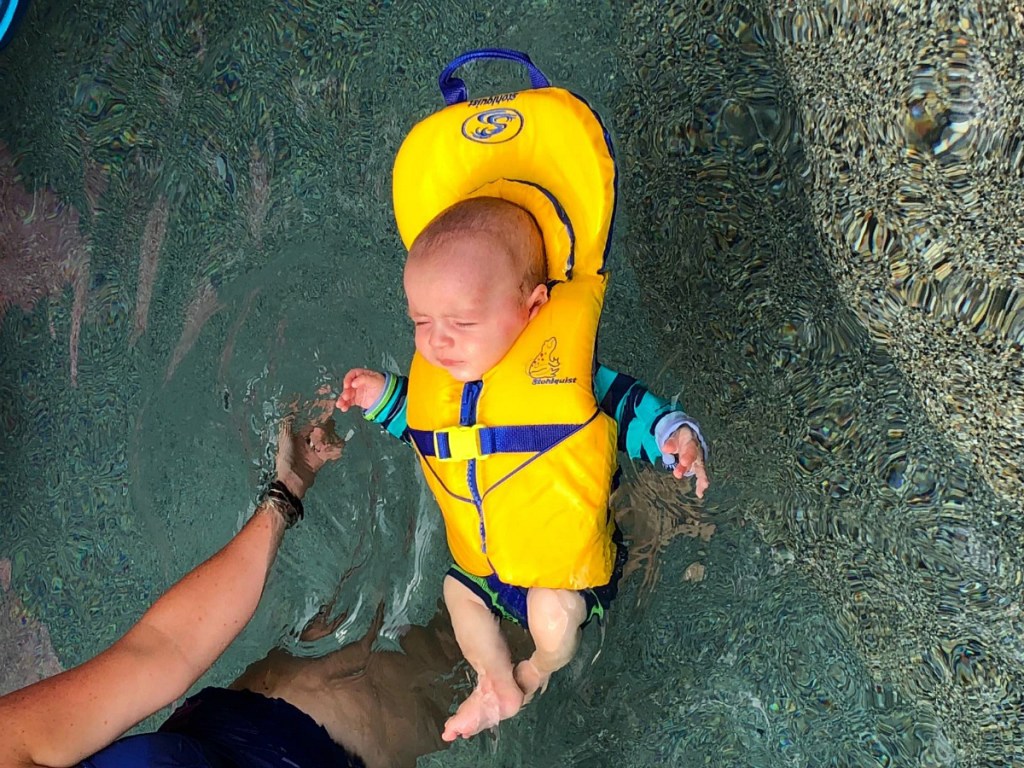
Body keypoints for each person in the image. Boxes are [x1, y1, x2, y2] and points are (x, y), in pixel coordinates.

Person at [335, 47, 710, 744]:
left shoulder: (565, 378)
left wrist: (675, 436)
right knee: (456, 593)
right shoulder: (440, 374)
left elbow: (631, 411)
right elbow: (422, 424)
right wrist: (382, 395)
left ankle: (535, 670)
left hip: (562, 571)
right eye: (420, 323)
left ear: (535, 308)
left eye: (460, 324)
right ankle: (493, 679)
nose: (437, 344)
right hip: (485, 567)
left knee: (553, 617)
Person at [0, 415, 468, 768]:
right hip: (321, 739)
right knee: (484, 642)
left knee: (444, 628)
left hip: (263, 720)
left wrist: (288, 489)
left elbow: (166, 649)